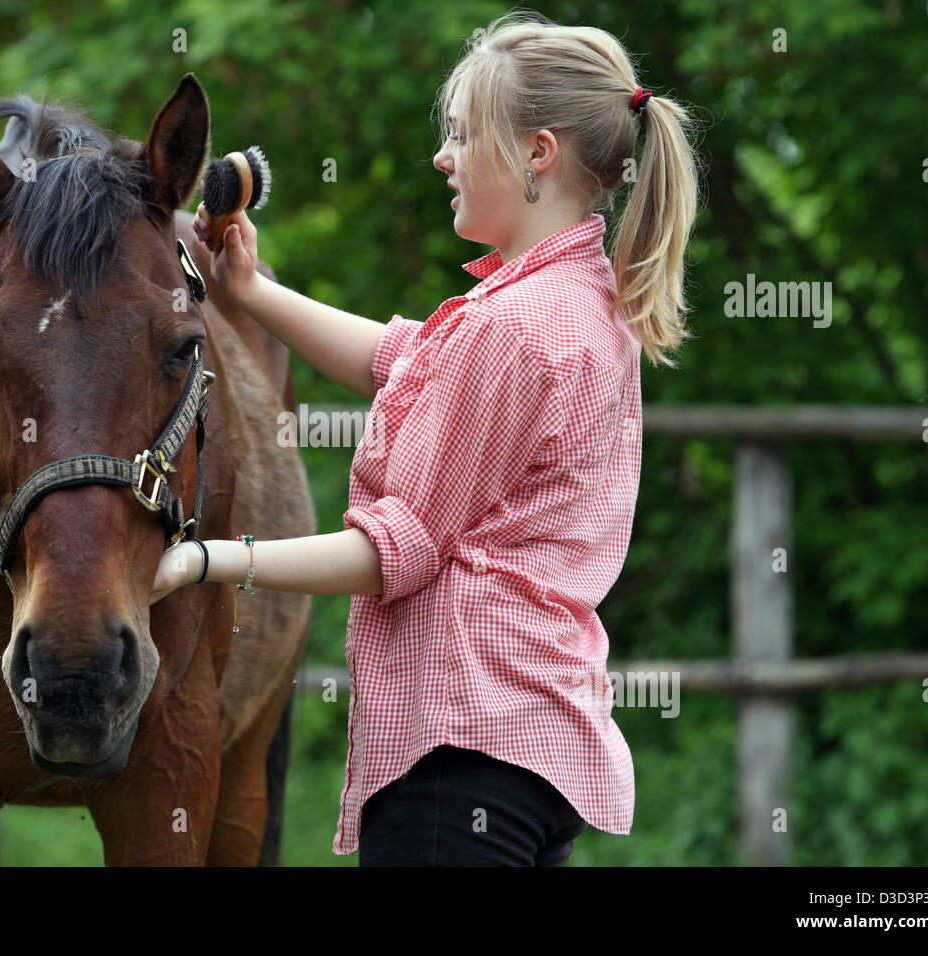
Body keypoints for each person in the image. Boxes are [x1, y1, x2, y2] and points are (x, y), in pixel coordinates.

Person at [150, 10, 702, 865]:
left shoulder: (513, 328)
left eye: (461, 136)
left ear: (536, 153)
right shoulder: (587, 301)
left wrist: (211, 558)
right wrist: (251, 291)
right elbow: (399, 358)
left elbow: (391, 551)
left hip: (461, 755)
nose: (443, 159)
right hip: (533, 748)